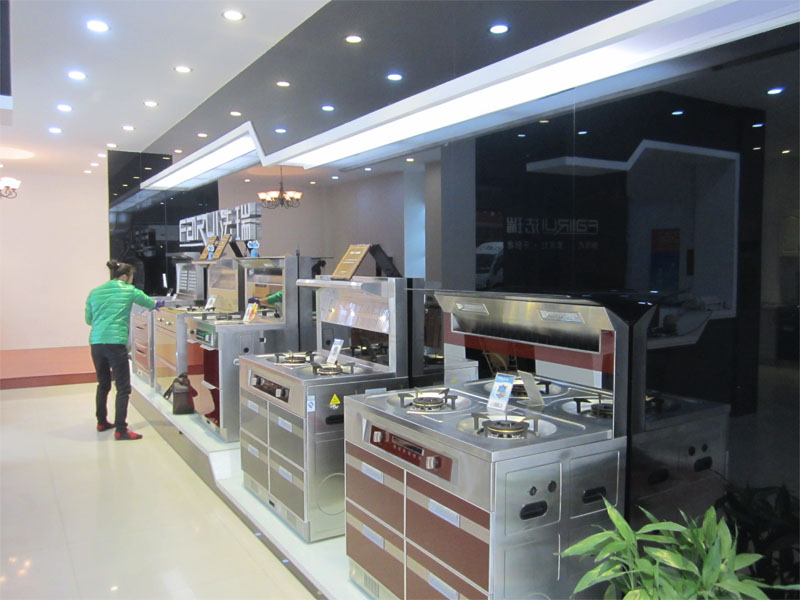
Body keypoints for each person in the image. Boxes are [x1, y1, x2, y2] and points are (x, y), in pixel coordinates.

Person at [85, 260, 164, 440]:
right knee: (123, 388)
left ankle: (101, 422)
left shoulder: (94, 292)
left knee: (103, 384)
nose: (131, 281)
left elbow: (89, 320)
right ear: (124, 276)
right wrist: (160, 304)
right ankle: (121, 429)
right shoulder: (129, 290)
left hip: (96, 343)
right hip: (115, 342)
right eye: (131, 278)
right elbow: (150, 303)